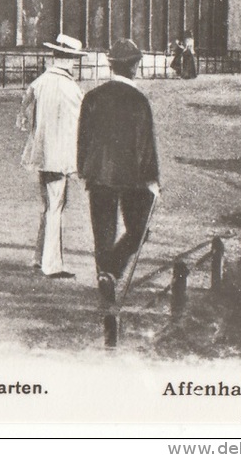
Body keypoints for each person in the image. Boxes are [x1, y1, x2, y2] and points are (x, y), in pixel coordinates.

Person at [77, 37, 160, 306]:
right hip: (132, 178)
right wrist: (152, 180)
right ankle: (112, 270)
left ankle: (105, 277)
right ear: (134, 67)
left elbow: (83, 138)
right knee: (138, 230)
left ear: (110, 64)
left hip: (99, 175)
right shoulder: (138, 101)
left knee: (103, 233)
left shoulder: (92, 97)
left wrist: (84, 168)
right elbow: (145, 145)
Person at [17, 32, 84, 280]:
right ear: (66, 59)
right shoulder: (71, 88)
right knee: (55, 206)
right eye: (73, 59)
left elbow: (24, 107)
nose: (74, 64)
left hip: (42, 153)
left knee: (49, 205)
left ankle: (39, 257)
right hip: (60, 155)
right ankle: (51, 264)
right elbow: (83, 119)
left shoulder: (41, 81)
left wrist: (29, 122)